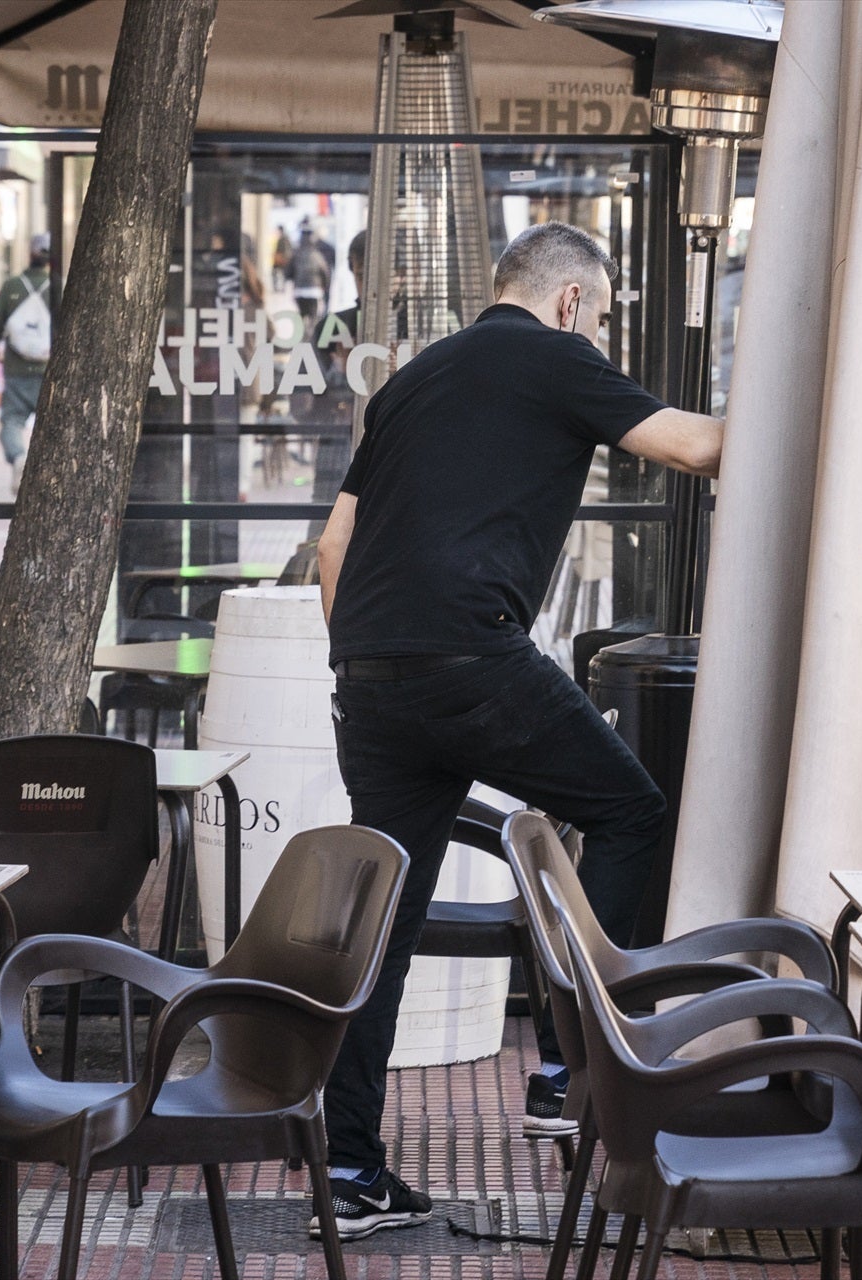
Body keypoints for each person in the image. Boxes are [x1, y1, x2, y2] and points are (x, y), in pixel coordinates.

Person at [312, 222, 723, 1240]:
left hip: (368, 676)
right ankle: (565, 1072)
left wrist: (367, 667)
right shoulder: (556, 357)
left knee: (386, 922)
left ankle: (353, 1167)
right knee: (629, 811)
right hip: (472, 659)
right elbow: (696, 447)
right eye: (606, 315)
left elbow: (333, 545)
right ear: (574, 303)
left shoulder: (411, 380)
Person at [0, 233, 52, 496]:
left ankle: (18, 457)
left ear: (30, 254)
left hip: (15, 370)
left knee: (12, 421)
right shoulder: (57, 285)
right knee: (51, 424)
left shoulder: (12, 286)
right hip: (48, 371)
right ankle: (45, 476)